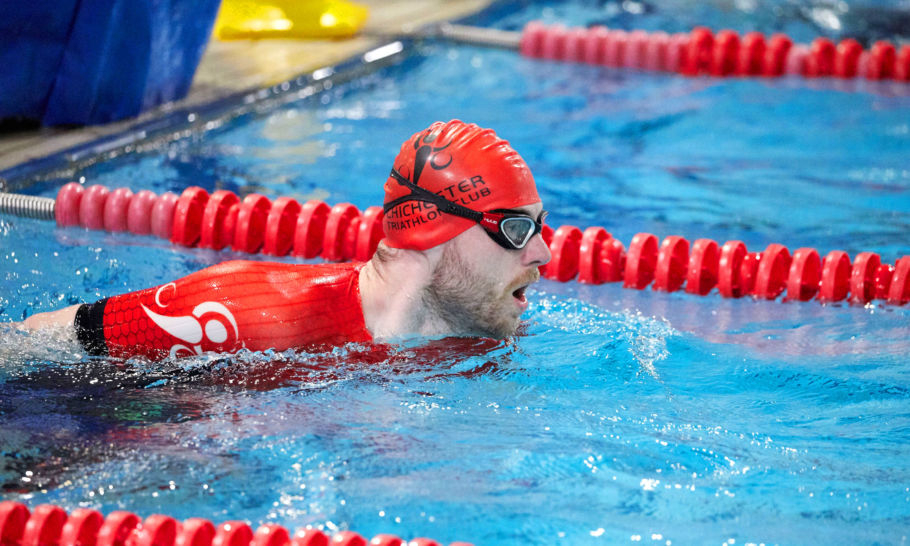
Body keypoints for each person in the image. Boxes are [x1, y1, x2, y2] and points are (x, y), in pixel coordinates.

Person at [17, 120, 552, 360]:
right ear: (434, 231)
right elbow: (30, 342)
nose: (542, 252)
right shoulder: (246, 309)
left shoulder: (485, 335)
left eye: (540, 225)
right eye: (516, 229)